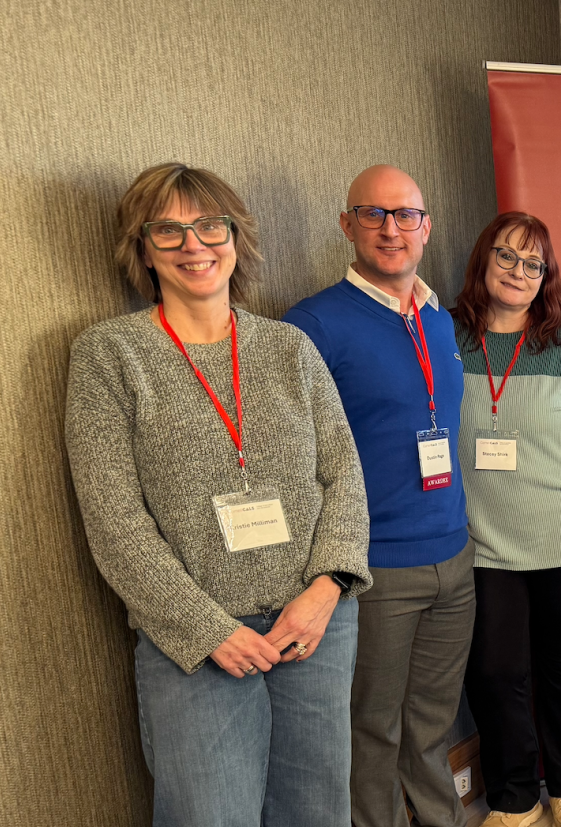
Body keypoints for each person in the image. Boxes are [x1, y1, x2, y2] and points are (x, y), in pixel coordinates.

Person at [65, 163, 371, 825]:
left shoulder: (289, 347)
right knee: (211, 814)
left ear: (236, 236)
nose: (194, 245)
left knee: (317, 810)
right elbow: (114, 519)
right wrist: (208, 630)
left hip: (312, 628)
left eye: (209, 225)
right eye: (167, 231)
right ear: (142, 249)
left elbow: (344, 475)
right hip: (196, 643)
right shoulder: (112, 354)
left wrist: (325, 593)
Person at [283, 166, 474, 827]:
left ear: (426, 227)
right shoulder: (312, 325)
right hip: (375, 567)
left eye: (405, 215)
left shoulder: (438, 318)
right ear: (348, 225)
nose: (391, 229)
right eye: (373, 214)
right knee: (373, 727)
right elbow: (296, 461)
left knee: (431, 721)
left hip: (454, 555)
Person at [452, 212, 561, 827]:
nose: (519, 272)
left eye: (534, 264)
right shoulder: (447, 339)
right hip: (484, 545)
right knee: (496, 673)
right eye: (508, 257)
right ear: (483, 258)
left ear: (546, 276)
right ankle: (513, 797)